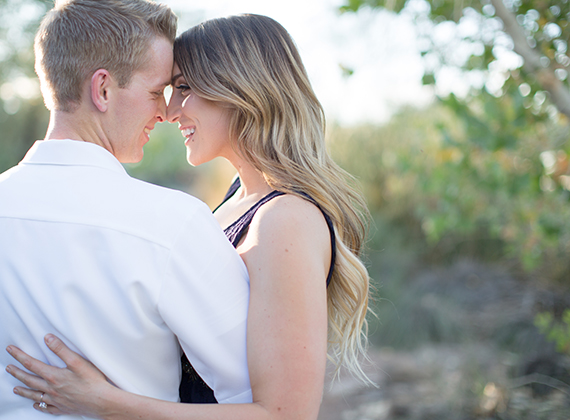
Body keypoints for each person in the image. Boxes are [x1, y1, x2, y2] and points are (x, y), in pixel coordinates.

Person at [6, 13, 373, 420]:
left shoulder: (285, 219)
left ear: (241, 89)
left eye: (182, 88)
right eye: (167, 89)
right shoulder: (232, 205)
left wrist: (104, 403)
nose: (169, 111)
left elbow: (287, 414)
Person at [0, 2, 253, 418]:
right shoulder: (174, 224)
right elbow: (256, 397)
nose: (166, 112)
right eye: (157, 92)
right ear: (102, 89)